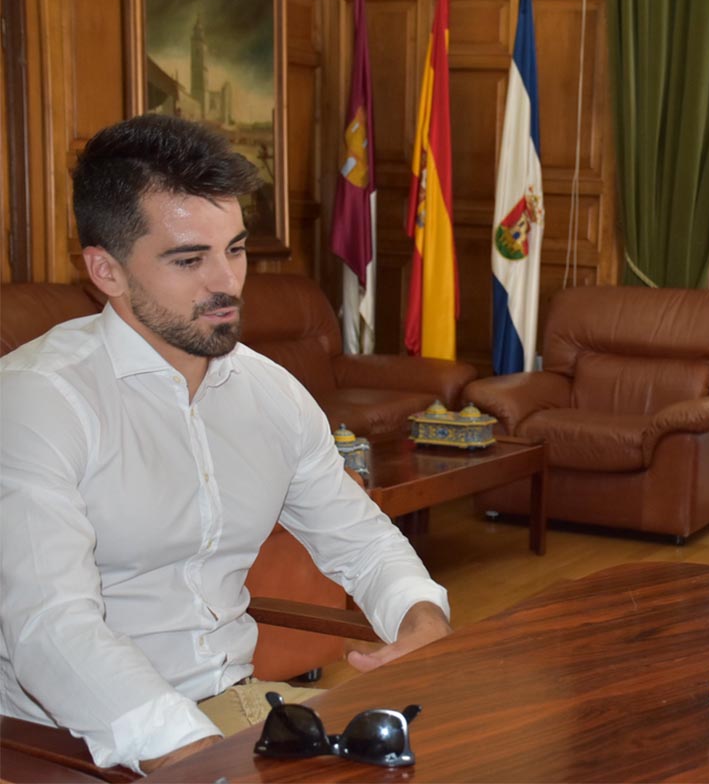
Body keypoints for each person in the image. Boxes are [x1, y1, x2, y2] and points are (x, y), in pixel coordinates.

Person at [0, 115, 452, 773]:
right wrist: (203, 761)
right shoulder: (37, 401)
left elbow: (360, 541)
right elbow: (51, 635)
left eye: (235, 250)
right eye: (189, 259)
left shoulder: (271, 393)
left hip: (236, 710)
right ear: (107, 270)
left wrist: (421, 621)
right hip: (76, 740)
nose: (227, 283)